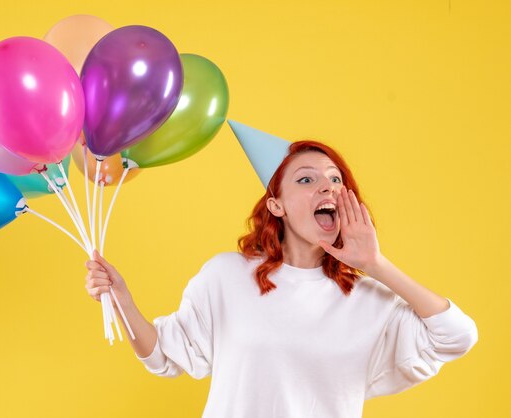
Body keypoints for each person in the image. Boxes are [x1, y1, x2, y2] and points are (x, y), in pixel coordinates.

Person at [84, 121, 478, 418]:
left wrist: (376, 265)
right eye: (306, 179)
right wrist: (122, 300)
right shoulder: (225, 276)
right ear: (277, 205)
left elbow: (458, 336)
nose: (327, 187)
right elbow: (163, 357)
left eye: (335, 179)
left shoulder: (370, 302)